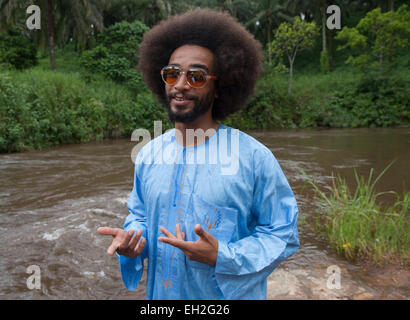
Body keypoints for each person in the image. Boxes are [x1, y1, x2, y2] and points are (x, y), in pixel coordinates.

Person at [98, 8, 299, 300]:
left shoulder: (254, 158)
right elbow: (140, 214)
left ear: (220, 87)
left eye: (196, 76)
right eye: (172, 74)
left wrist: (224, 256)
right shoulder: (149, 153)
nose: (181, 85)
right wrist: (133, 240)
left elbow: (283, 233)